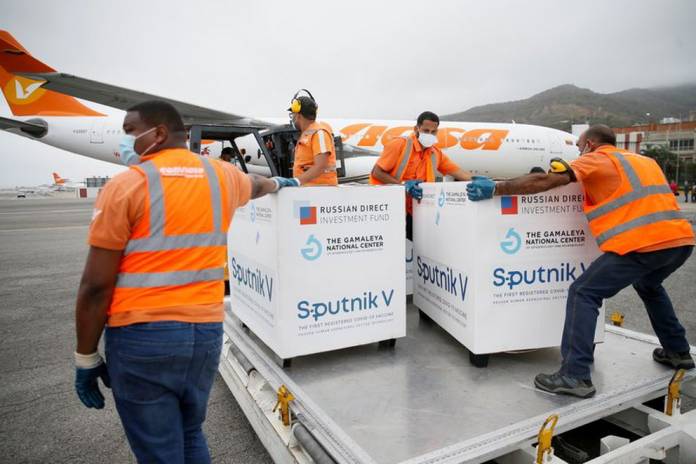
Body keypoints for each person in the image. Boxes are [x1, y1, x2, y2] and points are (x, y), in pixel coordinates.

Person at [73, 100, 298, 463]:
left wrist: (85, 356)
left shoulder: (128, 184)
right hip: (204, 334)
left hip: (143, 337)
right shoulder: (221, 175)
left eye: (131, 131)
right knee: (190, 433)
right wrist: (281, 183)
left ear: (159, 133)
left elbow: (95, 287)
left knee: (160, 449)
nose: (126, 140)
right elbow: (256, 184)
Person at [467, 124, 695, 398]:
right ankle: (677, 351)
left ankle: (575, 375)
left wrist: (497, 188)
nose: (578, 153)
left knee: (583, 292)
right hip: (680, 241)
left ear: (590, 144)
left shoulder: (597, 158)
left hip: (641, 244)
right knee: (649, 285)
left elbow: (545, 181)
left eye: (578, 147)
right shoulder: (645, 161)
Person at [370, 111, 473, 240]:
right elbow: (377, 172)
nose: (429, 134)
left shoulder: (435, 153)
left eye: (433, 132)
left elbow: (459, 173)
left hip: (415, 210)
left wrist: (480, 180)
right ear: (416, 129)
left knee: (417, 245)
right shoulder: (399, 144)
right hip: (389, 208)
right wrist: (403, 185)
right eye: (426, 131)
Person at [288, 89, 338, 186]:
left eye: (292, 114)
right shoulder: (308, 134)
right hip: (310, 190)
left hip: (320, 190)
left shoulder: (319, 133)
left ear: (298, 115)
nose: (292, 118)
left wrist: (296, 182)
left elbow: (321, 166)